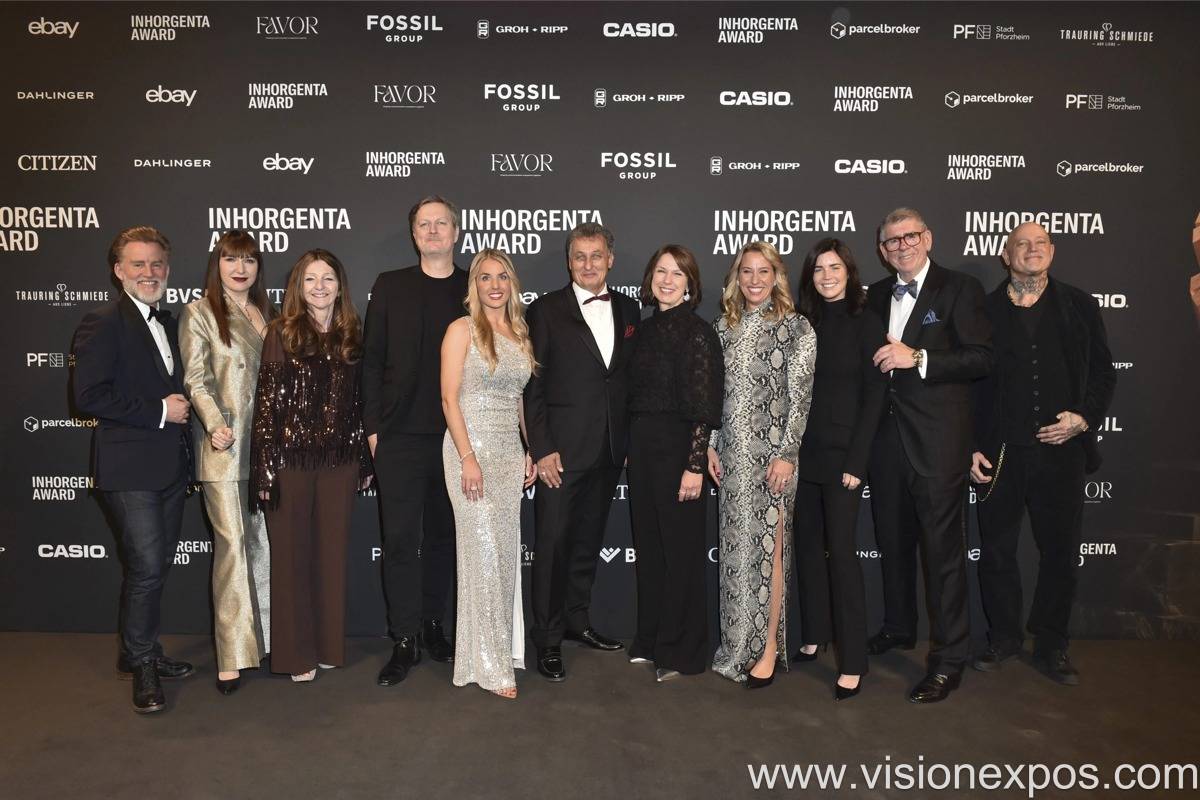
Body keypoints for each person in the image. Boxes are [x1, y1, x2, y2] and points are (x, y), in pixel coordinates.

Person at [970, 222, 1116, 685]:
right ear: (1006, 255)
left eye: (1040, 243)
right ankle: (1004, 637)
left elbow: (1104, 373)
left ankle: (1052, 644)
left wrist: (1083, 417)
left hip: (1062, 453)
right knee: (996, 550)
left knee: (1060, 552)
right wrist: (972, 445)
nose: (1031, 250)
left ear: (1051, 251)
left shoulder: (1079, 305)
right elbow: (970, 385)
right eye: (1021, 244)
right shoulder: (984, 310)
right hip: (1001, 453)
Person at [866, 207, 993, 703]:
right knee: (893, 543)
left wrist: (917, 357)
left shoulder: (959, 288)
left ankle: (948, 660)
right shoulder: (875, 295)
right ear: (882, 251)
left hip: (938, 445)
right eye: (891, 241)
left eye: (909, 236)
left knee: (942, 557)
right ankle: (899, 627)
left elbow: (982, 357)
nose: (901, 246)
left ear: (928, 238)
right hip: (885, 444)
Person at [72, 225, 195, 714]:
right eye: (138, 264)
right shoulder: (102, 322)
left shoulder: (170, 323)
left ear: (167, 269)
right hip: (127, 469)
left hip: (169, 467)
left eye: (156, 263)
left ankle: (138, 650)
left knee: (157, 564)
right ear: (118, 271)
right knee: (146, 566)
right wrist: (160, 410)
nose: (149, 272)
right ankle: (142, 664)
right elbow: (88, 396)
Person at [523, 221, 640, 681]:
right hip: (561, 454)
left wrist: (627, 440)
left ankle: (577, 620)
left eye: (596, 255)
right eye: (579, 256)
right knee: (552, 546)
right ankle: (548, 639)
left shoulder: (629, 308)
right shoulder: (545, 310)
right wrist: (542, 448)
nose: (588, 264)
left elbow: (627, 381)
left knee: (588, 543)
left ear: (610, 259)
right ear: (568, 261)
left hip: (609, 451)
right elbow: (532, 386)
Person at [251, 249, 372, 682]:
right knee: (290, 559)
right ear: (298, 288)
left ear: (340, 286)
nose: (320, 287)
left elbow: (360, 403)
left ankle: (327, 646)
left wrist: (363, 460)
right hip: (289, 462)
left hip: (340, 462)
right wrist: (265, 467)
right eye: (310, 280)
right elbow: (267, 404)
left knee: (331, 556)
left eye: (328, 279)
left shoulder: (352, 333)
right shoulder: (280, 332)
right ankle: (294, 656)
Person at [362, 196, 468, 686]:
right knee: (401, 540)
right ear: (414, 234)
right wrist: (374, 430)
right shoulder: (390, 285)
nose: (432, 231)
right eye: (424, 224)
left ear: (456, 232)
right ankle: (404, 638)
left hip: (456, 437)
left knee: (444, 538)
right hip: (399, 437)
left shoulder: (473, 286)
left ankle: (433, 626)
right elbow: (371, 362)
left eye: (441, 223)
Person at [709, 241, 816, 688]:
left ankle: (768, 647)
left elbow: (800, 398)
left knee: (771, 553)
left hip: (773, 459)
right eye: (747, 271)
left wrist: (787, 456)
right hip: (732, 458)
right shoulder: (723, 327)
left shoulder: (796, 327)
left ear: (777, 277)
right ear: (737, 277)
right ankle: (738, 647)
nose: (755, 280)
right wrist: (710, 445)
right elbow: (713, 395)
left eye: (763, 271)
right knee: (738, 555)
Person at [179, 230, 274, 695]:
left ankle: (268, 641)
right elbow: (195, 380)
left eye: (249, 260)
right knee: (233, 546)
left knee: (263, 544)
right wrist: (215, 424)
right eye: (231, 259)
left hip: (267, 449)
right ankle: (232, 654)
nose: (240, 268)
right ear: (217, 265)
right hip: (224, 448)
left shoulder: (267, 314)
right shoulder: (199, 313)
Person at [791, 239, 887, 701]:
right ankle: (814, 633)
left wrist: (857, 460)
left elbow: (875, 395)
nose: (827, 276)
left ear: (849, 272)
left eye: (834, 267)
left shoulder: (866, 322)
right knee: (808, 546)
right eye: (818, 269)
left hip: (843, 456)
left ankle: (853, 662)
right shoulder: (802, 322)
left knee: (843, 555)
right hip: (802, 452)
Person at [440, 249, 538, 699]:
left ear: (511, 283)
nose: (494, 285)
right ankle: (491, 666)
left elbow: (519, 400)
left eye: (502, 277)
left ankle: (492, 653)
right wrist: (468, 457)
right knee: (481, 554)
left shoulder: (520, 333)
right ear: (474, 285)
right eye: (485, 277)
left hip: (507, 454)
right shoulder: (461, 330)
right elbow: (449, 399)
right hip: (469, 450)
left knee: (502, 556)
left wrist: (530, 450)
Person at [627, 245, 723, 683]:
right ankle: (650, 639)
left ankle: (683, 651)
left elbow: (704, 406)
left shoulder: (698, 333)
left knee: (681, 552)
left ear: (690, 284)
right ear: (651, 278)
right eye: (661, 271)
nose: (667, 280)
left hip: (679, 449)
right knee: (650, 549)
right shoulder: (644, 330)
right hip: (643, 448)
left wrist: (694, 465)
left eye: (677, 274)